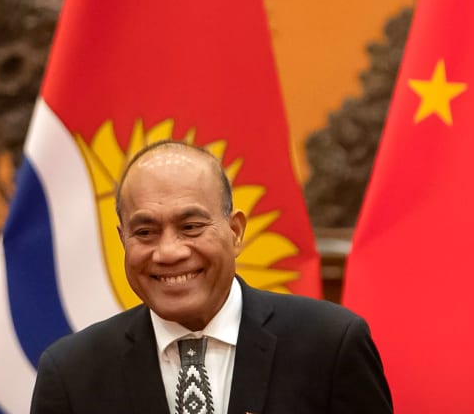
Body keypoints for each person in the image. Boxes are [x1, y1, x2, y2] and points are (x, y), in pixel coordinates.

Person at [31, 140, 393, 413]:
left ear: (235, 232)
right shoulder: (72, 373)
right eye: (145, 232)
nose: (169, 251)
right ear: (123, 239)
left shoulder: (330, 346)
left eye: (191, 227)